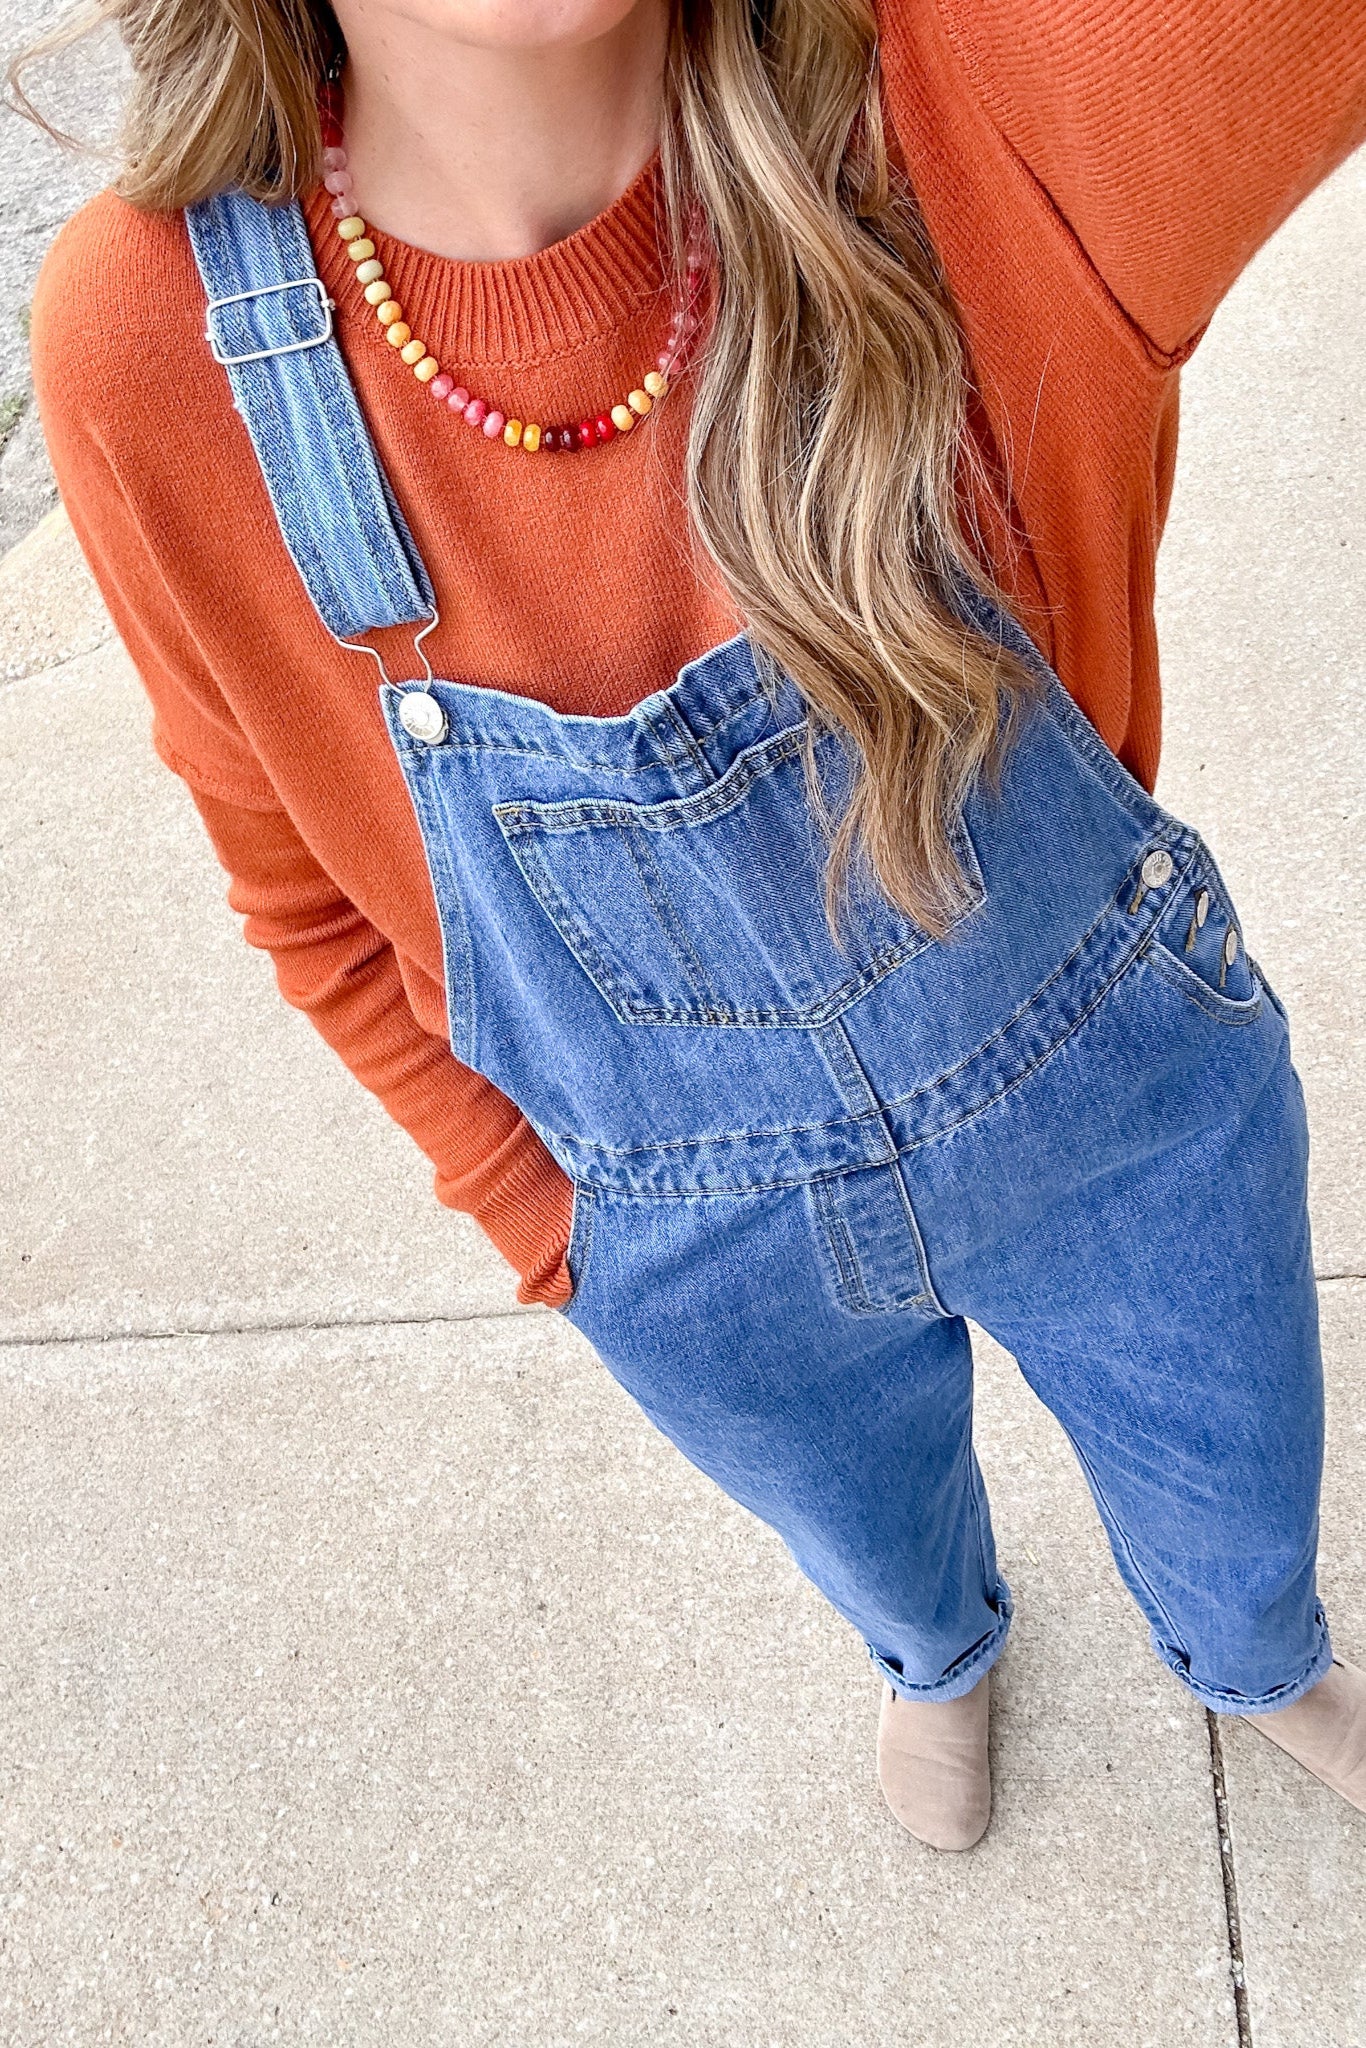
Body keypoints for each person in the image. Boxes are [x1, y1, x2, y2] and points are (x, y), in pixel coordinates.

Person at [16, 0, 1366, 1852]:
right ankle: (937, 1650)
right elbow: (296, 885)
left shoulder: (983, 107)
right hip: (690, 1241)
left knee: (1234, 1480)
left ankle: (1254, 1652)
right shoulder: (153, 343)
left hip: (1121, 1118)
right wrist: (546, 1218)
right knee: (864, 1527)